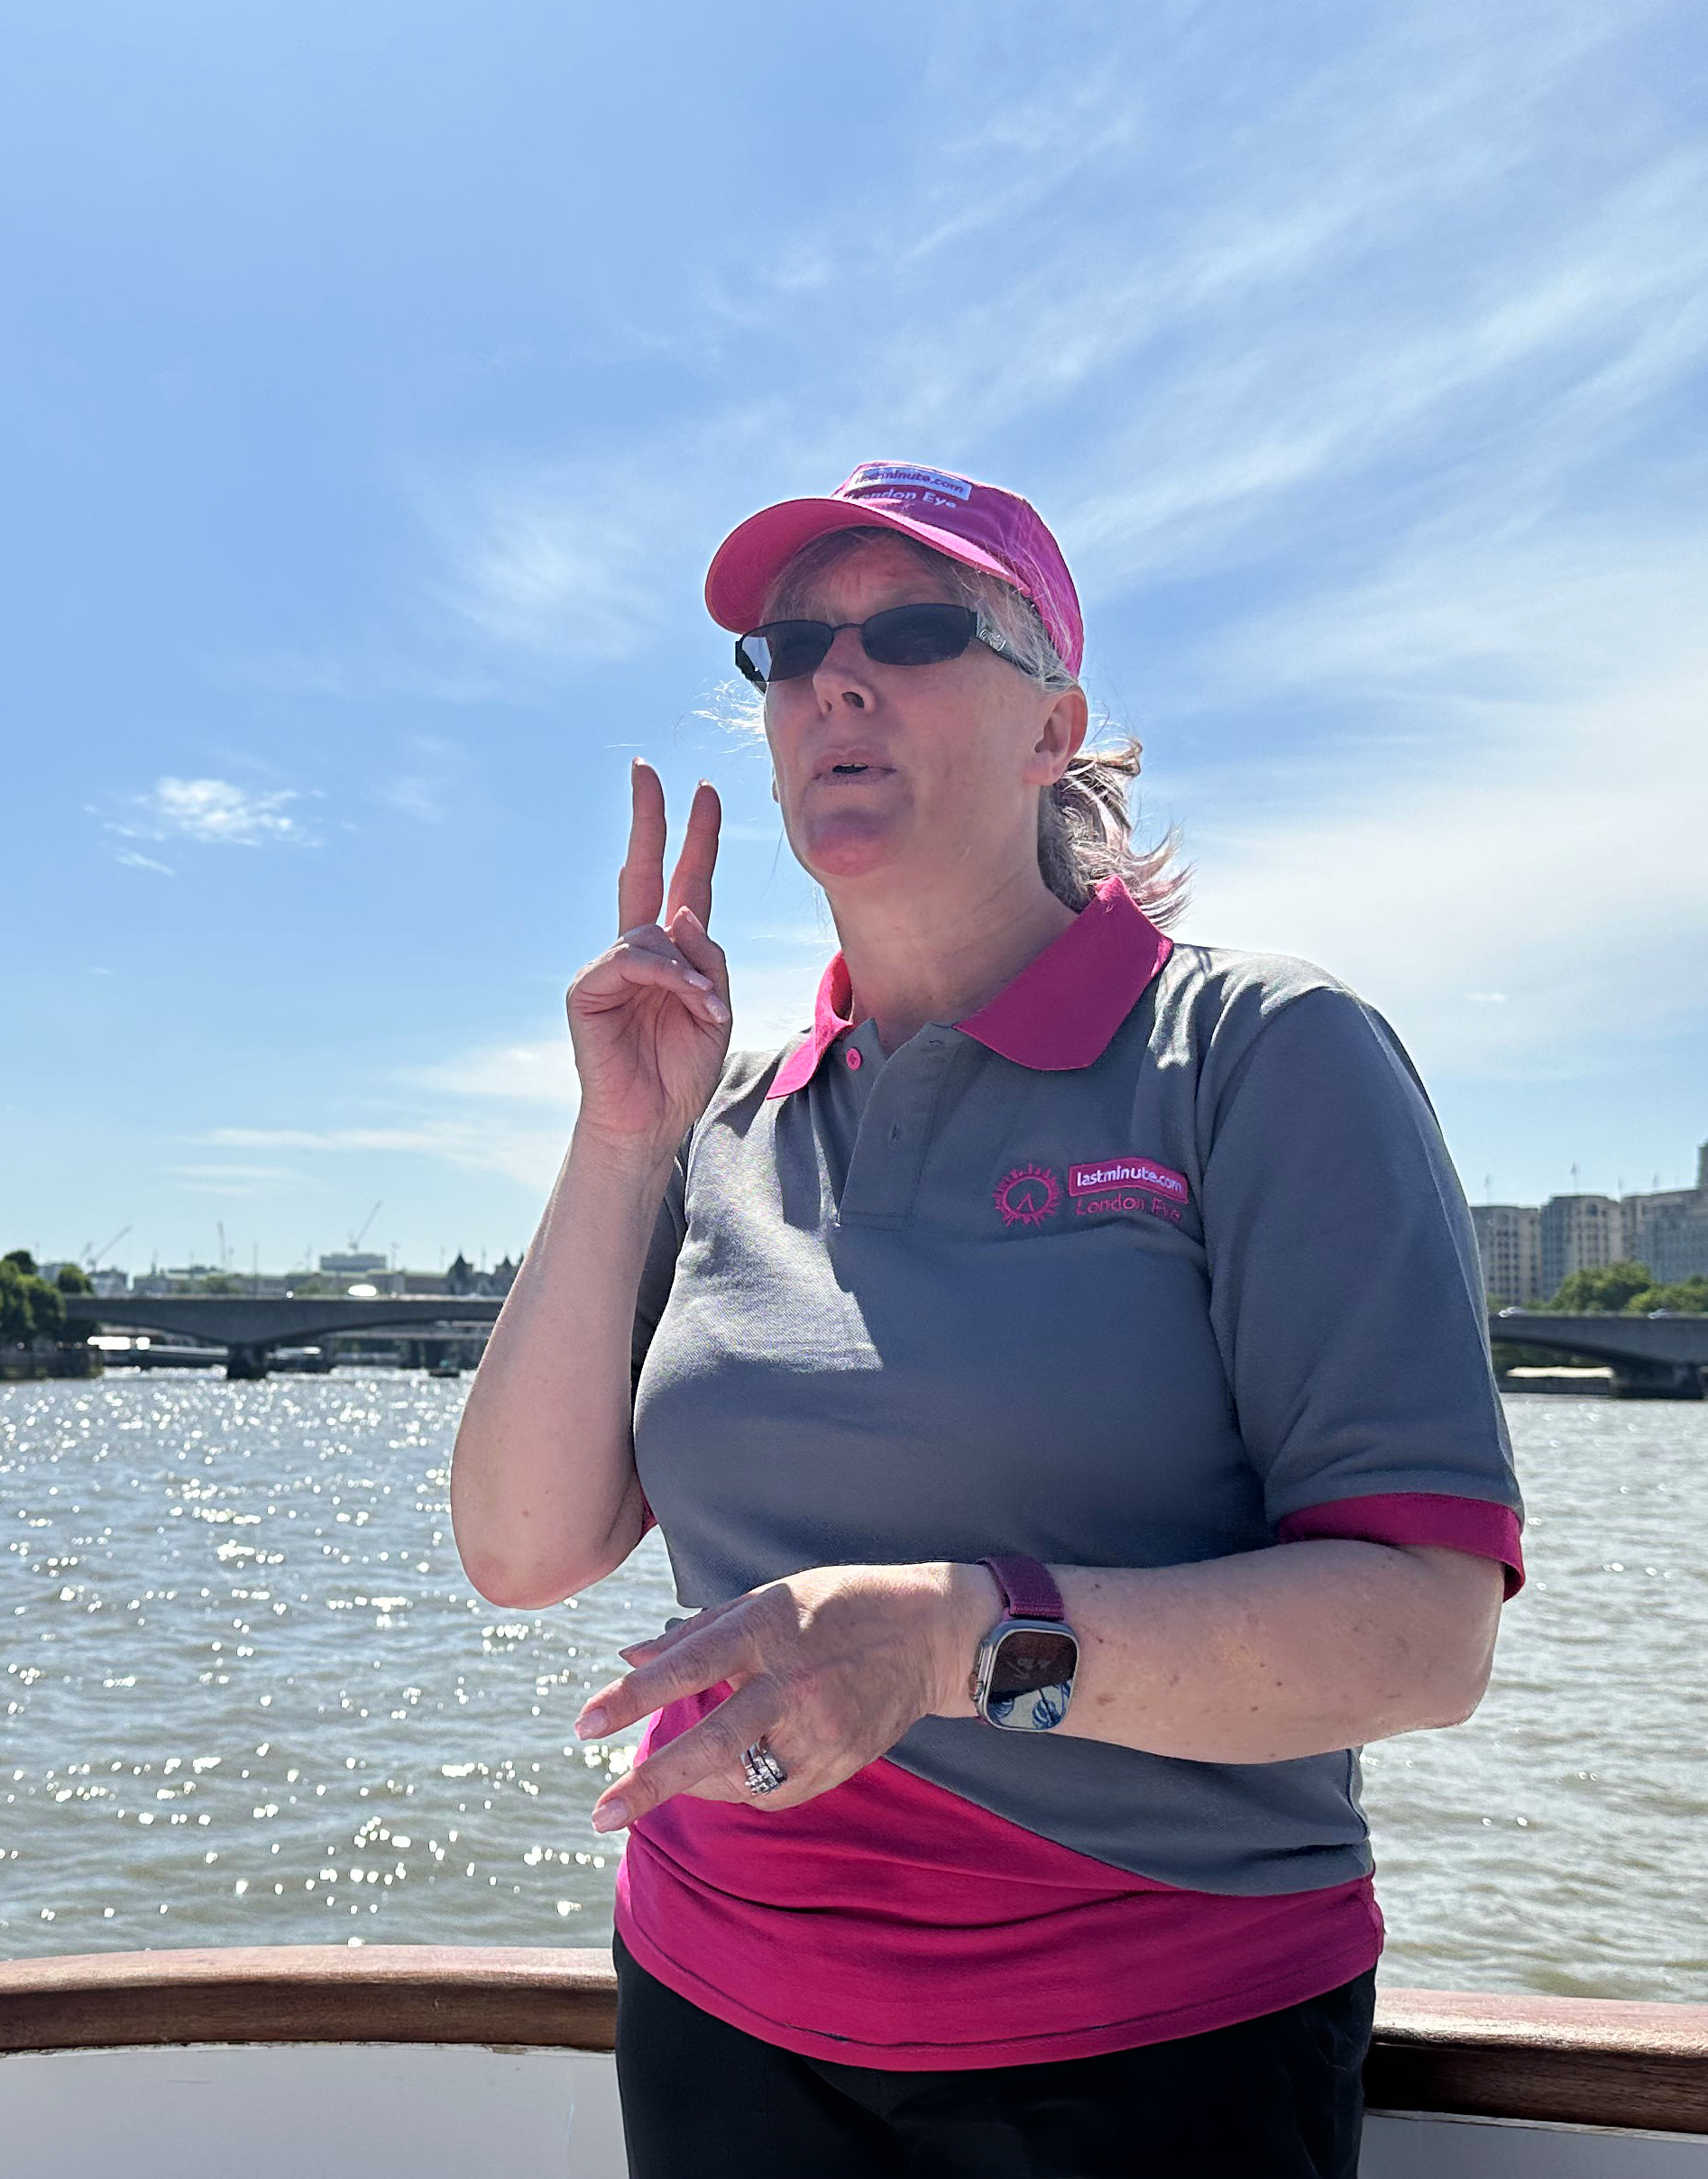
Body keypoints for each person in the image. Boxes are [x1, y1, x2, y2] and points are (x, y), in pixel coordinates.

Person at [449, 461, 1524, 2178]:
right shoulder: (725, 1120)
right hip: (717, 2015)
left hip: (1152, 2048)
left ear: (1057, 728)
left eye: (918, 629)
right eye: (793, 650)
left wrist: (960, 1641)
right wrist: (620, 1137)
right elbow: (520, 1547)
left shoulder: (1260, 1057)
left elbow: (1426, 1635)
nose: (834, 681)